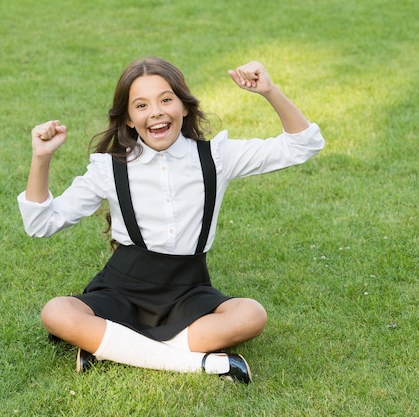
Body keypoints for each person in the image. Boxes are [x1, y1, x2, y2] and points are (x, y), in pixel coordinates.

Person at [17, 57, 324, 384]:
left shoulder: (216, 157)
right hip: (123, 287)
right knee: (57, 312)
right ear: (130, 120)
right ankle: (208, 364)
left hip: (187, 288)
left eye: (166, 100)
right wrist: (41, 158)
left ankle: (109, 347)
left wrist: (269, 91)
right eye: (141, 105)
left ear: (185, 107)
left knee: (251, 315)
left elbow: (303, 145)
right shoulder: (109, 168)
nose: (156, 111)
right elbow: (42, 223)